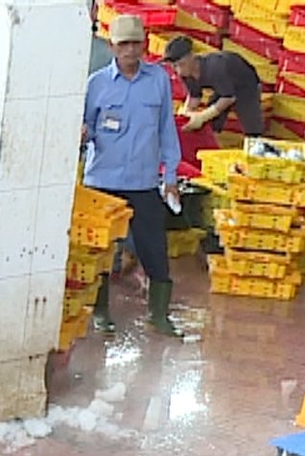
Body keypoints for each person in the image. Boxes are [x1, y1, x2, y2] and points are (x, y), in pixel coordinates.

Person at [83, 14, 183, 336]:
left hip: (142, 183)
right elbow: (83, 131)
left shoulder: (158, 81)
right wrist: (81, 134)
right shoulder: (96, 84)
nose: (130, 50)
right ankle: (100, 313)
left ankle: (158, 314)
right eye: (123, 44)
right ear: (112, 46)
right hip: (102, 184)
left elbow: (167, 129)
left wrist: (170, 175)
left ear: (146, 44)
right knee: (99, 252)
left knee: (154, 247)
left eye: (136, 43)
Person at [162, 37, 266, 137]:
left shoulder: (214, 68)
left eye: (181, 64)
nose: (179, 71)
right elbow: (195, 96)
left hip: (245, 85)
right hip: (222, 87)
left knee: (251, 127)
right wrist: (185, 113)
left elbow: (229, 97)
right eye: (174, 66)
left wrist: (203, 116)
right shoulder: (186, 74)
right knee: (211, 121)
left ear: (191, 56)